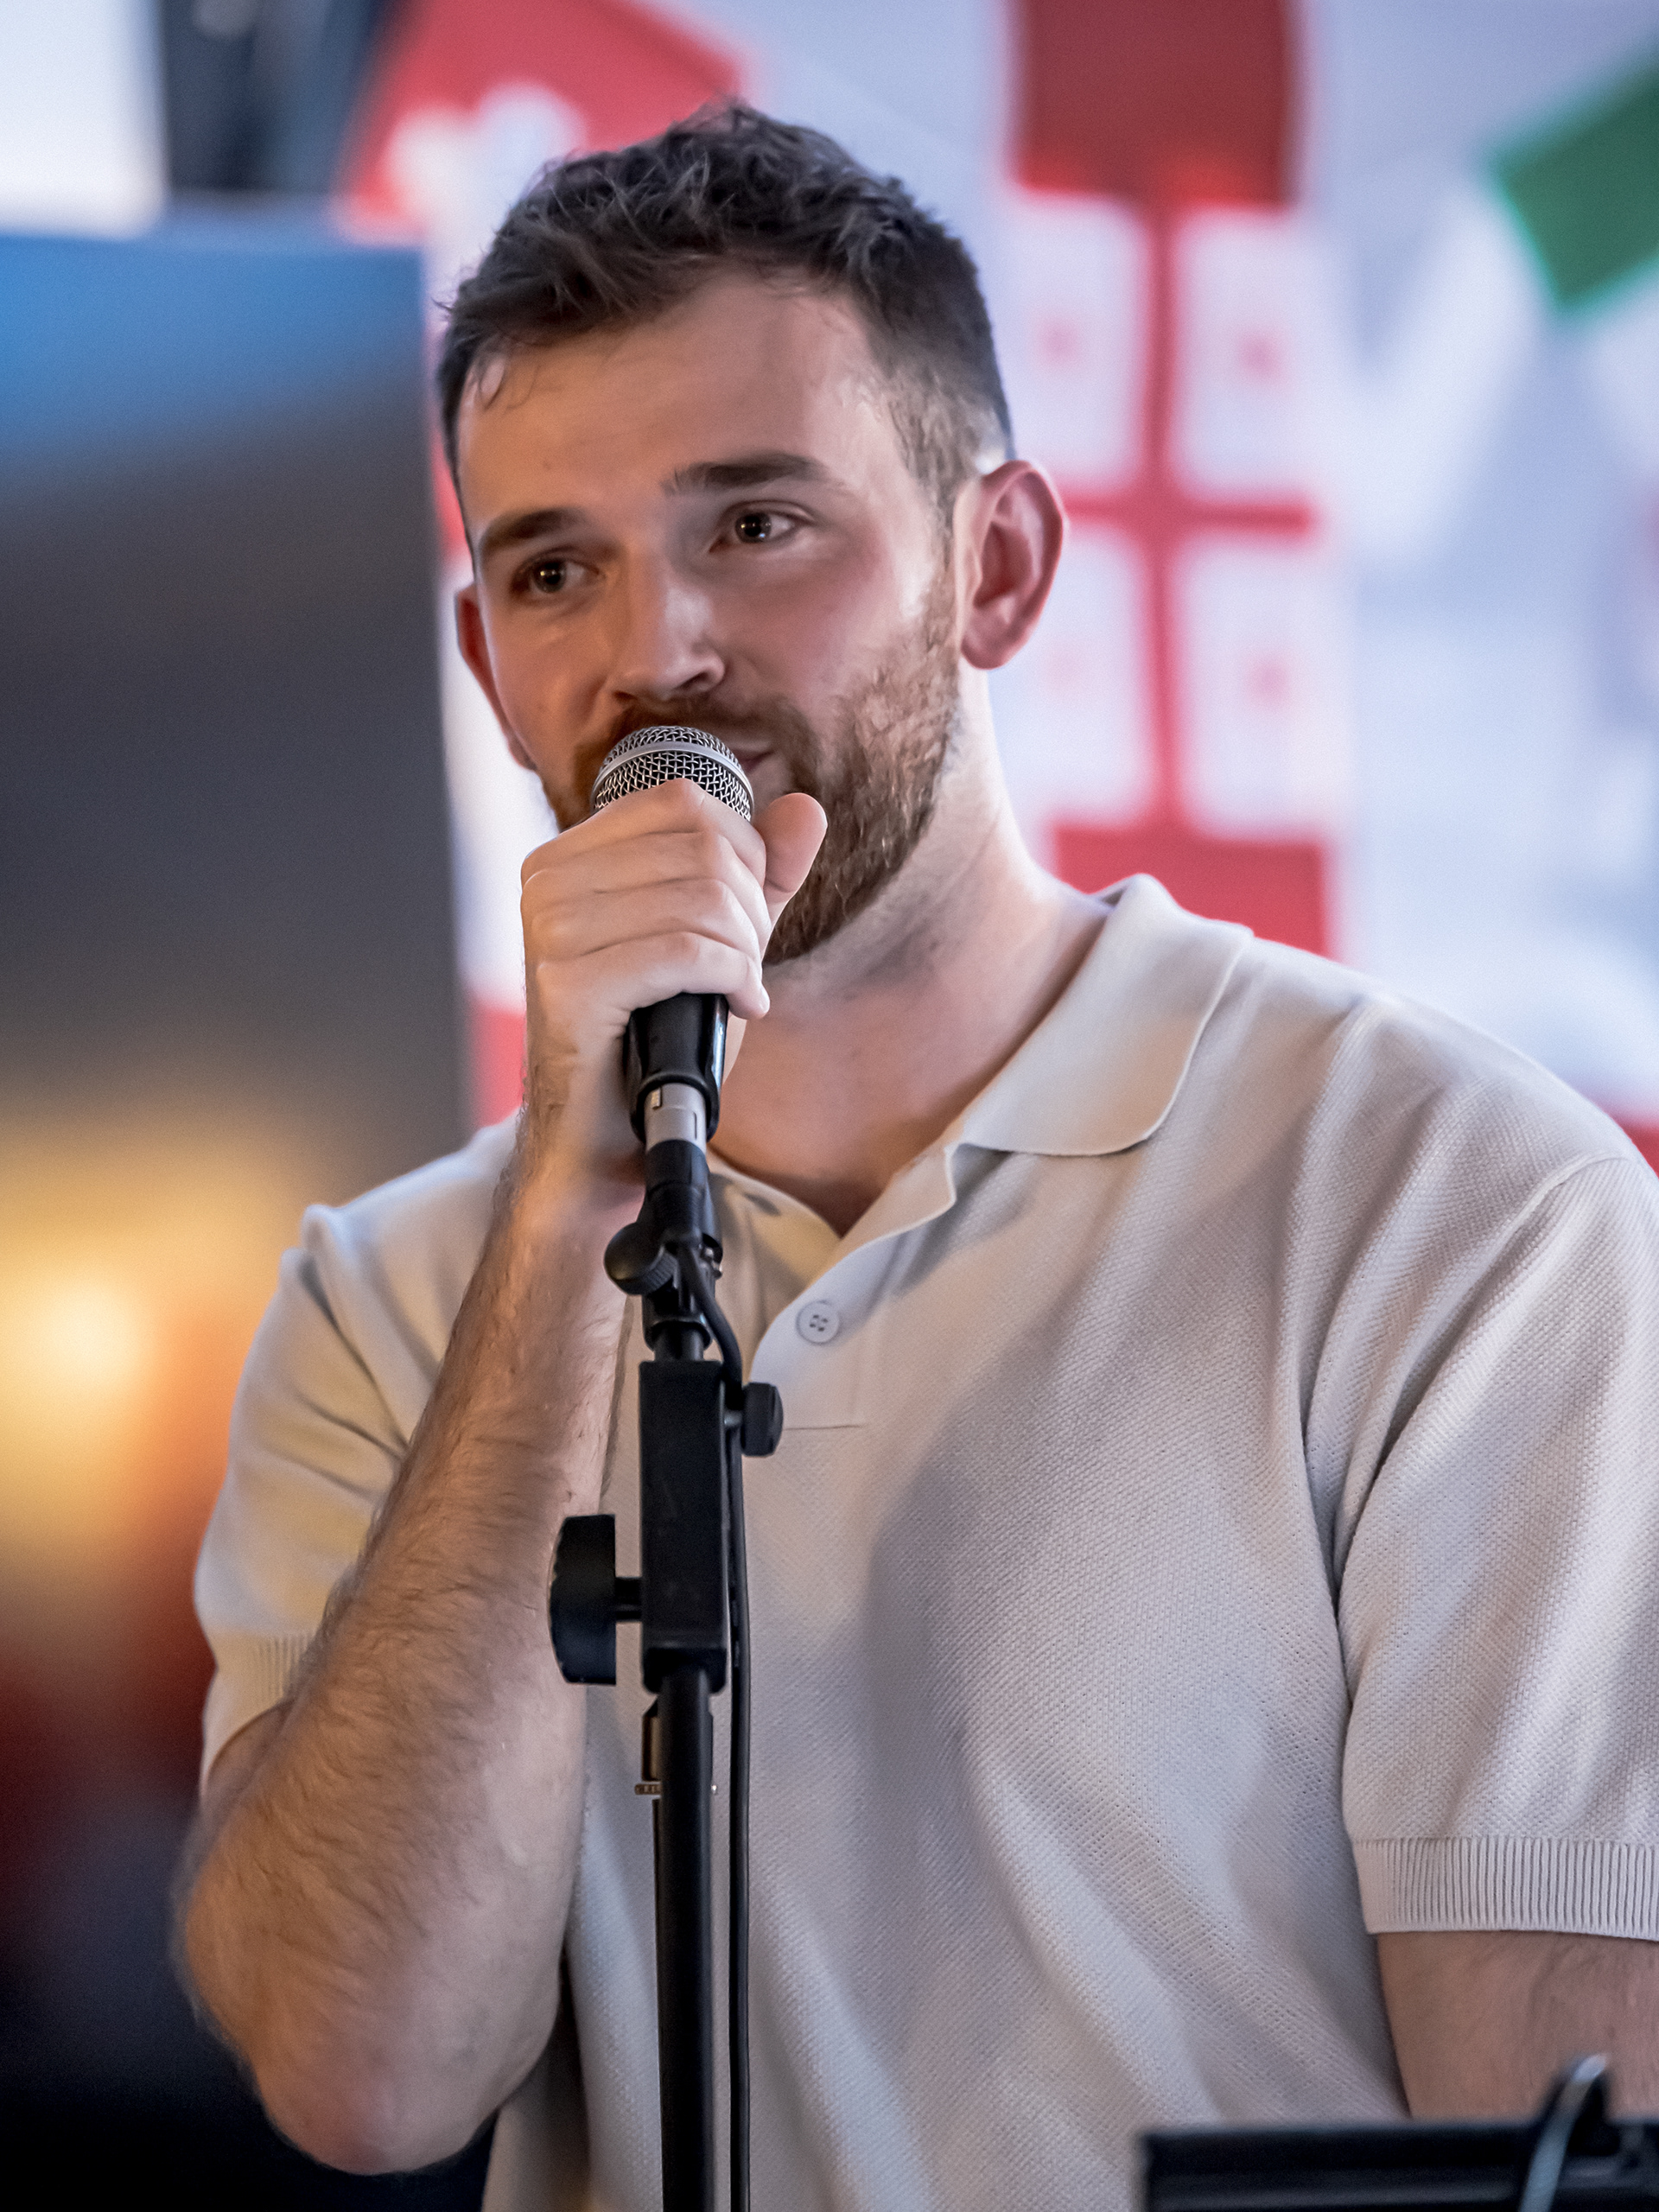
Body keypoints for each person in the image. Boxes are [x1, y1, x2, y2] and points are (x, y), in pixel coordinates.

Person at [178, 106, 1659, 2209]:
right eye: (554, 567)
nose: (656, 651)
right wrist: (565, 1228)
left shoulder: (1457, 1209)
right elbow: (364, 2068)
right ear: (488, 664)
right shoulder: (389, 1296)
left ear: (1001, 566)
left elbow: (1563, 2128)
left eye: (757, 522)